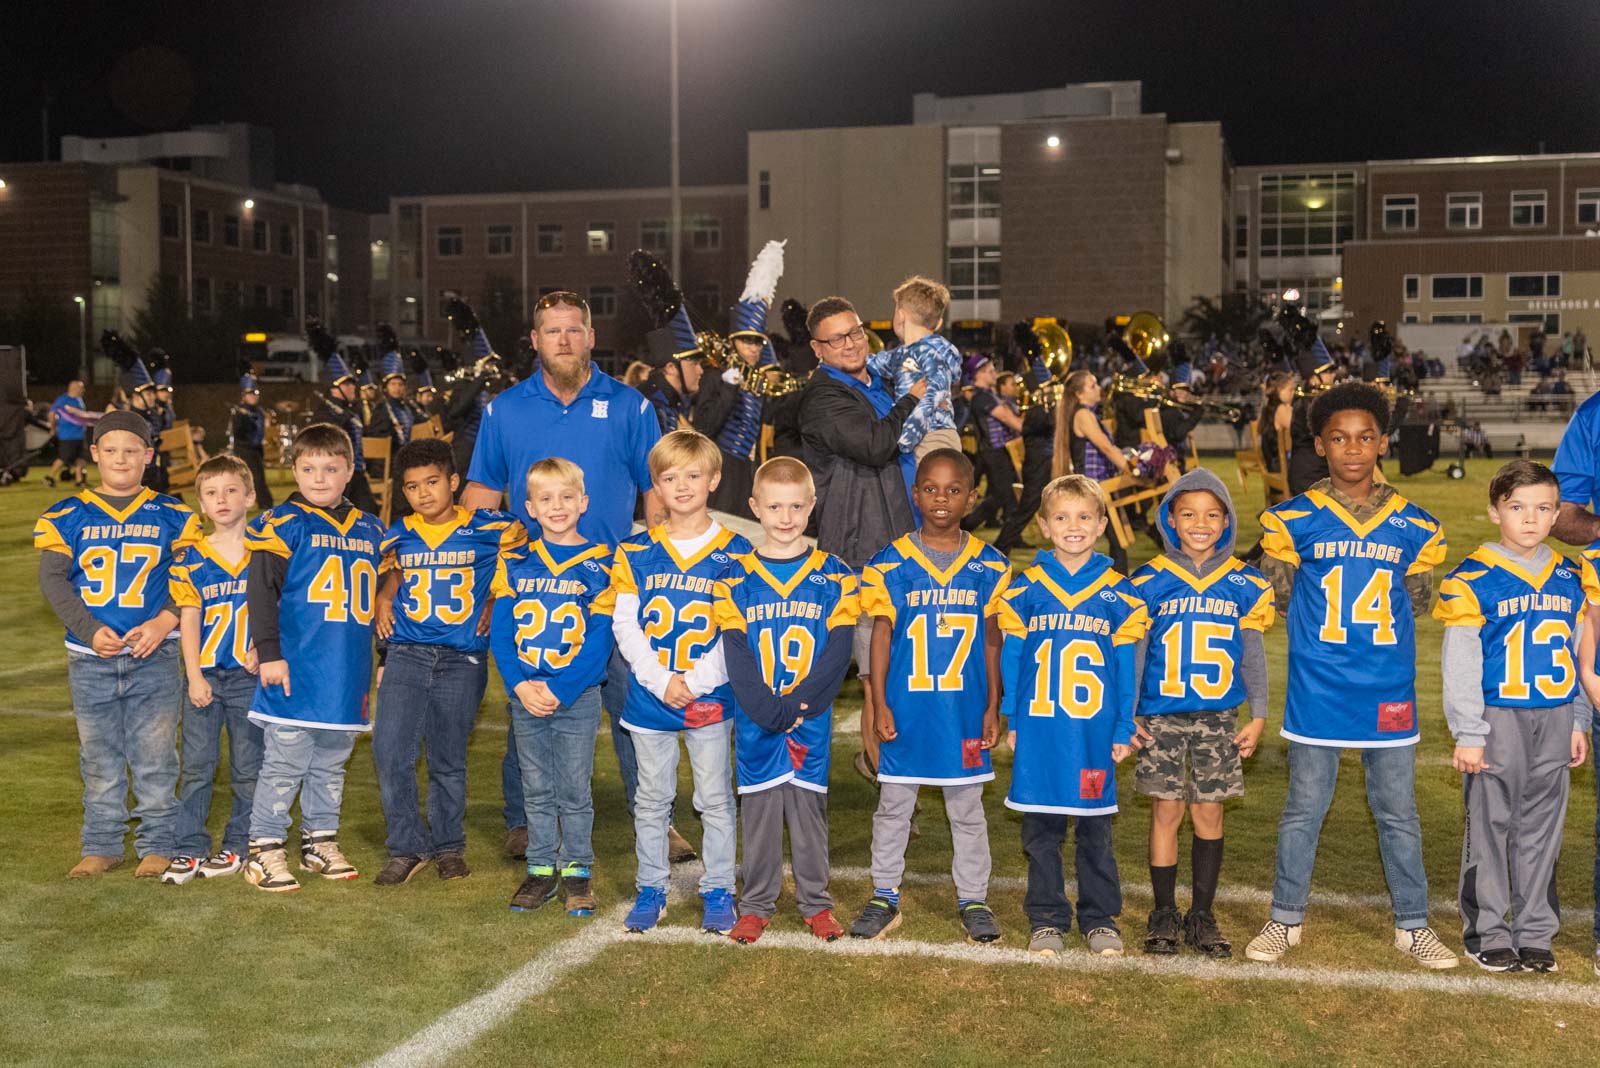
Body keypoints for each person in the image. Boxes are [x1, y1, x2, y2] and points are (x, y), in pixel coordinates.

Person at [1243, 382, 1459, 969]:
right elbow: (1280, 597)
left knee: (1398, 813)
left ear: (1383, 442)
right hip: (1319, 686)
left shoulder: (1413, 524)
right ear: (1320, 445)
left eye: (1366, 437)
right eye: (1339, 438)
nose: (1353, 449)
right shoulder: (1293, 519)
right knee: (1303, 808)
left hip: (1387, 687)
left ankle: (1413, 924)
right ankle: (1285, 918)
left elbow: (1416, 599)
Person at [461, 290, 668, 861]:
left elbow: (655, 492)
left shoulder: (630, 406)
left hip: (612, 585)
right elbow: (482, 494)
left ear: (591, 336)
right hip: (534, 585)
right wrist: (484, 580)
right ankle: (524, 820)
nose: (564, 340)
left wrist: (656, 573)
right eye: (552, 331)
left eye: (574, 329)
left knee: (632, 702)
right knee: (529, 700)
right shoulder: (505, 409)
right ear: (535, 341)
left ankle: (654, 816)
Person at [1436, 460, 1595, 973]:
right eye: (1518, 507)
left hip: (1555, 715)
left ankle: (1535, 932)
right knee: (1490, 826)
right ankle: (1488, 930)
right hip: (1498, 717)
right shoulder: (1473, 578)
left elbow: (1580, 654)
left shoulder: (1573, 576)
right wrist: (1469, 731)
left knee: (1542, 829)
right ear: (1494, 512)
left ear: (1557, 515)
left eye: (1543, 508)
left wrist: (1578, 720)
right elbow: (1461, 663)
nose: (1530, 518)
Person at [851, 449, 1011, 944]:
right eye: (932, 489)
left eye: (954, 490)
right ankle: (884, 894)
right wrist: (878, 702)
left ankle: (974, 898)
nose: (942, 498)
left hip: (963, 709)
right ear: (915, 494)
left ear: (971, 498)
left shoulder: (991, 565)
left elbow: (993, 641)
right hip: (907, 707)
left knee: (967, 809)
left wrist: (993, 705)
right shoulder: (889, 562)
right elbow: (880, 635)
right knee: (893, 806)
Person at [34, 411, 201, 878]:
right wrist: (88, 629)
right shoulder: (67, 514)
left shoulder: (174, 515)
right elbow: (53, 581)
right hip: (91, 656)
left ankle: (158, 842)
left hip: (156, 652)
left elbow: (191, 575)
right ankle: (103, 843)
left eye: (131, 451)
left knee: (156, 754)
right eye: (110, 450)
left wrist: (164, 620)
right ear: (94, 454)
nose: (121, 459)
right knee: (98, 755)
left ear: (148, 455)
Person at [998, 474, 1149, 957]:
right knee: (1041, 829)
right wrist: (1013, 718)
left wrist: (1123, 725)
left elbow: (1125, 668)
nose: (1074, 526)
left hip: (1092, 732)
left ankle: (1099, 917)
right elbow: (1013, 659)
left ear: (1102, 524)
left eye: (1084, 516)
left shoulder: (1118, 593)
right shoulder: (1026, 588)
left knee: (1094, 828)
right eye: (1061, 517)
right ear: (1044, 526)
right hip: (1041, 729)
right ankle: (1046, 918)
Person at [610, 430, 751, 934]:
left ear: (714, 480)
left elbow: (737, 629)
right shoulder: (635, 550)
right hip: (652, 695)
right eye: (670, 477)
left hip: (708, 695)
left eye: (693, 475)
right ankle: (652, 885)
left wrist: (695, 680)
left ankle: (718, 887)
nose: (683, 485)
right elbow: (625, 624)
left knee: (714, 797)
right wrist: (659, 679)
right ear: (656, 485)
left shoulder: (737, 551)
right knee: (652, 798)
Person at [1129, 469, 1274, 958]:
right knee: (1166, 810)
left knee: (1209, 811)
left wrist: (1259, 714)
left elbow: (1252, 654)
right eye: (1188, 513)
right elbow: (1136, 653)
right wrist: (1129, 712)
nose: (1200, 523)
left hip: (1217, 716)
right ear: (1169, 518)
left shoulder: (1244, 582)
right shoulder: (1148, 580)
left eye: (1212, 515)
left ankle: (1202, 914)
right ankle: (1163, 911)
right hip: (1161, 715)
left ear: (1227, 520)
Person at [714, 457, 859, 944]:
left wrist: (800, 705)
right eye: (775, 506)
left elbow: (838, 651)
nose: (786, 517)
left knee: (809, 812)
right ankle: (756, 904)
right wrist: (769, 711)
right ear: (754, 507)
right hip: (759, 717)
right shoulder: (734, 577)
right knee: (758, 814)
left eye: (796, 506)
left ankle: (817, 903)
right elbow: (737, 653)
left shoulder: (835, 575)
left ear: (812, 506)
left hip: (808, 717)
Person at [371, 438, 525, 885]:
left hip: (462, 657)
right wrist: (385, 594)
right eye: (412, 486)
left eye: (432, 482)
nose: (423, 493)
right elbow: (395, 570)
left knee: (448, 757)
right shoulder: (399, 532)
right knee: (390, 751)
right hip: (407, 652)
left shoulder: (493, 527)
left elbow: (517, 571)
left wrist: (495, 601)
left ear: (454, 481)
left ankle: (449, 845)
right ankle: (406, 846)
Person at [242, 423, 387, 891]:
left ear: (350, 470)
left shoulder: (371, 528)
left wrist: (384, 653)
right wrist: (269, 652)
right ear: (295, 470)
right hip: (297, 665)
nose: (319, 478)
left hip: (346, 669)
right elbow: (261, 593)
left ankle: (318, 841)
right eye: (308, 469)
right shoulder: (282, 522)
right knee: (284, 764)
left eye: (330, 468)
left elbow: (385, 599)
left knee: (330, 764)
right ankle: (264, 848)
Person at [796, 296, 927, 793]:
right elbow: (875, 446)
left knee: (907, 671)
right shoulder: (824, 397)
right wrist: (914, 398)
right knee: (878, 674)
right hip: (861, 552)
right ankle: (890, 787)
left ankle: (895, 769)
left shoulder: (876, 381)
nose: (850, 344)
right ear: (817, 349)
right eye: (836, 339)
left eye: (854, 332)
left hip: (903, 540)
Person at [490, 457, 616, 916]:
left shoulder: (603, 563)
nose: (556, 506)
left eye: (566, 497)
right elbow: (501, 635)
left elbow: (600, 640)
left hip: (576, 696)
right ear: (530, 507)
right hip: (527, 695)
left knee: (574, 788)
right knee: (536, 786)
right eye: (545, 498)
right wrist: (521, 687)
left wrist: (561, 689)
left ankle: (577, 868)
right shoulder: (515, 561)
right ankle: (541, 867)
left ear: (583, 502)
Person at [161, 456, 263, 885]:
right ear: (201, 504)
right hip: (205, 676)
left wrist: (263, 647)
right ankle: (189, 847)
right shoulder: (191, 557)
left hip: (249, 677)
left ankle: (239, 843)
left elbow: (281, 609)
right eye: (211, 493)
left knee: (248, 767)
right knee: (197, 767)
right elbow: (189, 620)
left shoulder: (266, 552)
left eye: (231, 490)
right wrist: (194, 675)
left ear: (250, 496)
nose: (222, 499)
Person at [868, 275, 963, 461]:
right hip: (913, 438)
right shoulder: (901, 354)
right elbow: (877, 363)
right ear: (939, 323)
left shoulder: (933, 353)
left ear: (900, 315)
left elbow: (933, 395)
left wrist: (907, 437)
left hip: (934, 436)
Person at [1054, 370, 1132, 573]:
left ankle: (1117, 580)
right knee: (1116, 538)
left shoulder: (1087, 413)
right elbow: (1106, 447)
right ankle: (1120, 581)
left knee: (1115, 538)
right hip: (1093, 486)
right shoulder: (1083, 415)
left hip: (1096, 484)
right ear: (1079, 394)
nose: (1098, 388)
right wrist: (1129, 469)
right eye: (1092, 385)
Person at [963, 359, 1026, 552]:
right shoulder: (982, 398)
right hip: (994, 452)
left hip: (999, 452)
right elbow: (1007, 418)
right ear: (979, 374)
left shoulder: (989, 395)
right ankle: (1003, 544)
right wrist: (1029, 429)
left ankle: (964, 526)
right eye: (990, 371)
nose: (994, 374)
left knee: (999, 498)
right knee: (1009, 500)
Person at [313, 350, 380, 515]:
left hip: (357, 472)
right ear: (335, 388)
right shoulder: (324, 412)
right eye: (347, 384)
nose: (353, 388)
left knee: (369, 513)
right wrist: (340, 421)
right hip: (336, 474)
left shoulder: (351, 410)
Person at [229, 367, 273, 508]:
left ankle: (263, 502)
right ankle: (265, 503)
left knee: (259, 476)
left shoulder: (259, 411)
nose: (253, 396)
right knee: (253, 477)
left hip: (256, 449)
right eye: (250, 394)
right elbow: (238, 432)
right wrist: (243, 418)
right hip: (244, 449)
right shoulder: (240, 412)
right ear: (244, 396)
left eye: (255, 393)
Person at [45, 378, 89, 488]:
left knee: (82, 458)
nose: (83, 390)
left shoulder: (79, 400)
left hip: (80, 434)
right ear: (74, 388)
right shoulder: (63, 399)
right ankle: (49, 477)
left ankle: (79, 480)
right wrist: (53, 428)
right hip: (67, 435)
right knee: (64, 458)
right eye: (81, 388)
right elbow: (52, 414)